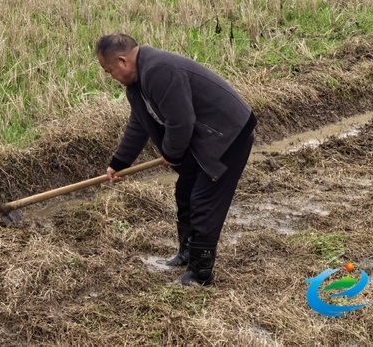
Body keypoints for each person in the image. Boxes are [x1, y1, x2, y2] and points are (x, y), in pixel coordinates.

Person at [96, 33, 256, 286]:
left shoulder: (159, 70)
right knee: (185, 191)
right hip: (204, 133)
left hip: (228, 132)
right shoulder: (137, 85)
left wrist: (171, 154)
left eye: (109, 70)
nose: (111, 76)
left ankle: (200, 274)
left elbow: (181, 122)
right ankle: (185, 254)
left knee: (204, 200)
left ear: (123, 60)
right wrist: (119, 163)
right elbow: (140, 124)